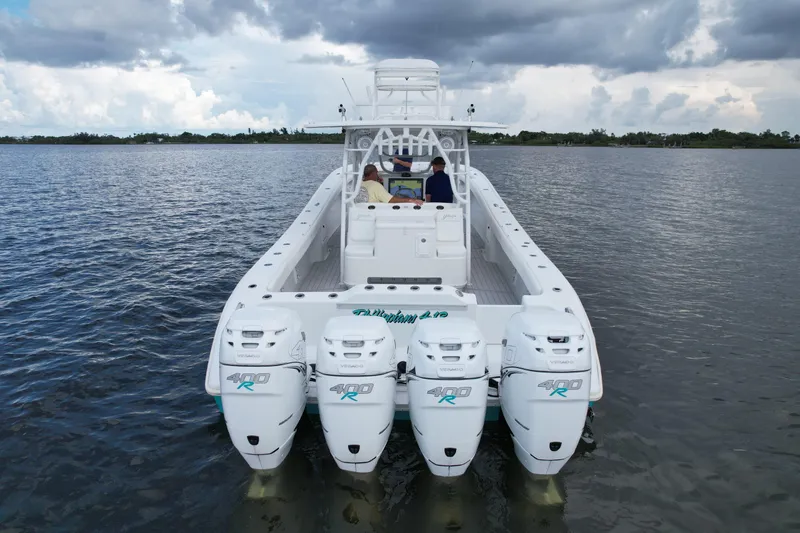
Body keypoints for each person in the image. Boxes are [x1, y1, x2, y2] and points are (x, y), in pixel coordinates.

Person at [356, 164, 423, 205]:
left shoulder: (357, 184)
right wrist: (410, 200)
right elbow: (391, 200)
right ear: (373, 173)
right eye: (377, 173)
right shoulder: (375, 185)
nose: (377, 175)